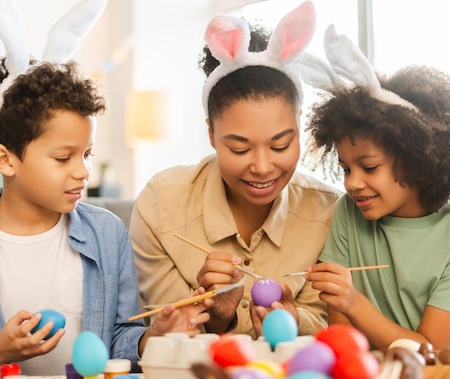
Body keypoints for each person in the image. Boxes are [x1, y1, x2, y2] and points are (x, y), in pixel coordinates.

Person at [0, 0, 210, 378]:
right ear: (5, 159)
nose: (83, 171)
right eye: (63, 158)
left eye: (88, 154)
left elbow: (119, 338)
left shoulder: (107, 233)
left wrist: (152, 338)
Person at [130, 1, 342, 338]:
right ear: (211, 135)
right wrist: (216, 318)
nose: (261, 167)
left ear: (299, 130)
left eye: (280, 145)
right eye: (239, 148)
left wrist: (297, 323)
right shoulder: (161, 207)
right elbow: (165, 333)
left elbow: (333, 328)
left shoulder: (331, 212)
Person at [300, 26, 450, 351]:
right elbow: (342, 339)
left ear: (416, 158)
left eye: (370, 167)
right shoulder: (348, 212)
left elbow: (428, 352)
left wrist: (353, 301)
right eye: (346, 168)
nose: (352, 183)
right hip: (368, 377)